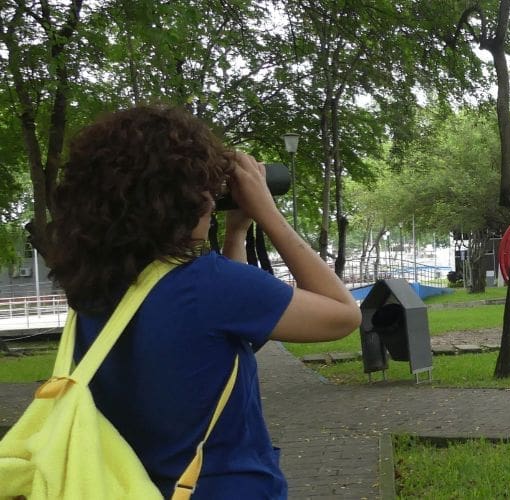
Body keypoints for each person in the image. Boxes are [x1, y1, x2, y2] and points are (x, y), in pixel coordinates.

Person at [45, 105, 362, 499]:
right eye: (206, 190)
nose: (213, 203)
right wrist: (268, 213)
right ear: (180, 200)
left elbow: (232, 330)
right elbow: (342, 316)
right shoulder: (207, 285)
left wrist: (236, 237)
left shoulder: (95, 290)